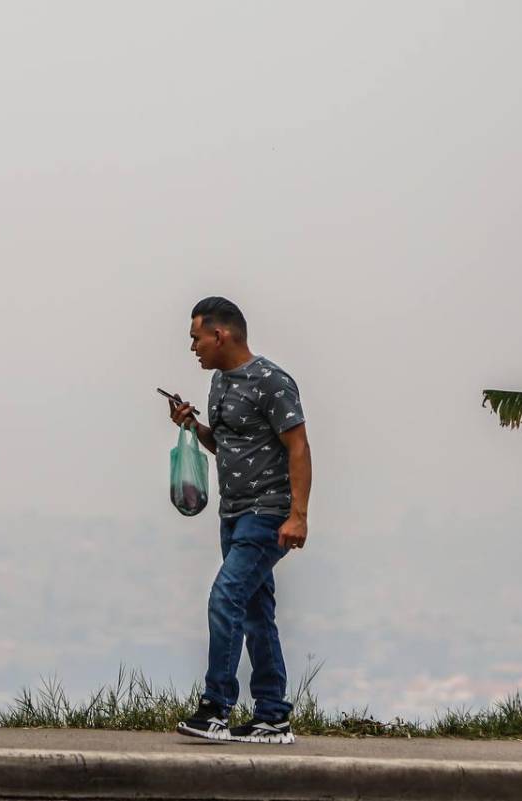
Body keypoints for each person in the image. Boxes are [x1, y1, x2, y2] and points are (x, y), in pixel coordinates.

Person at [167, 296, 311, 745]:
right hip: (232, 515)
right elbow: (230, 446)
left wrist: (298, 516)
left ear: (219, 333)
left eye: (196, 337)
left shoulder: (271, 381)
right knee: (255, 611)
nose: (193, 347)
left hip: (266, 515)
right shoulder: (220, 384)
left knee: (224, 597)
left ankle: (216, 708)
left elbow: (299, 446)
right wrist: (192, 427)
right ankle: (273, 716)